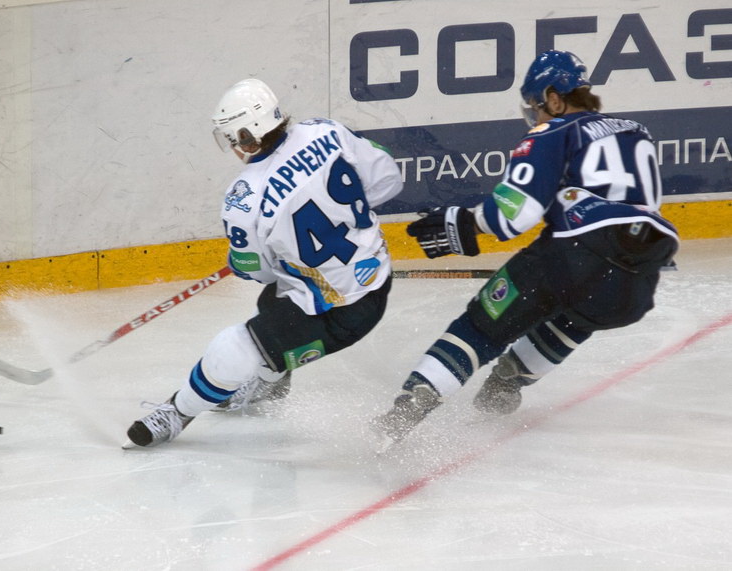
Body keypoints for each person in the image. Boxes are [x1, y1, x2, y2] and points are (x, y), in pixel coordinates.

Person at [372, 50, 679, 444]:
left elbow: (512, 217)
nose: (536, 115)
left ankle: (410, 406)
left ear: (554, 97)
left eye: (538, 106)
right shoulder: (635, 131)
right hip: (638, 276)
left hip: (572, 252)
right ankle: (506, 382)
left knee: (481, 327)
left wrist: (463, 224)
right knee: (577, 316)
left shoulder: (551, 133)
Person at [126, 78, 403, 447]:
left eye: (232, 138)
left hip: (341, 311)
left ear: (247, 133)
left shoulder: (244, 198)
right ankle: (270, 383)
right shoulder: (325, 130)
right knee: (274, 305)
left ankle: (178, 412)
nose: (233, 146)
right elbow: (388, 179)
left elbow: (257, 270)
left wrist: (242, 260)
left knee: (237, 345)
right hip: (377, 277)